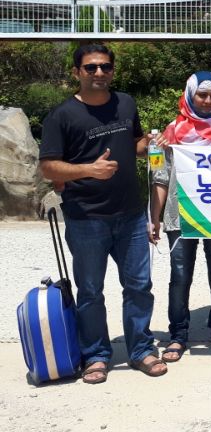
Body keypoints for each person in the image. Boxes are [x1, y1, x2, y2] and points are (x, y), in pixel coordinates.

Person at [38, 44, 166, 383]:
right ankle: (96, 355)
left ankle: (141, 350)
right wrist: (88, 170)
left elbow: (135, 145)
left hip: (131, 214)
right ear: (76, 72)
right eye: (91, 67)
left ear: (113, 70)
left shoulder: (126, 103)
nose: (99, 73)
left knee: (139, 286)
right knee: (91, 291)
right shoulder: (61, 116)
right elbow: (47, 167)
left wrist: (151, 143)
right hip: (86, 218)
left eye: (105, 67)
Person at [151, 71, 211, 363]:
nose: (207, 100)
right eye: (201, 95)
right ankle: (178, 334)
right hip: (179, 214)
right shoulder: (171, 130)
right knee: (180, 276)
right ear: (189, 94)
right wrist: (154, 217)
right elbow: (160, 176)